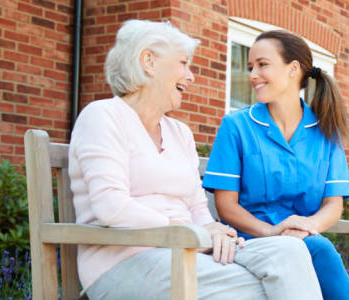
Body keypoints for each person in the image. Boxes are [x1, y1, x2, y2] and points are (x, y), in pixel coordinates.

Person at [68, 20, 322, 300]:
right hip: (124, 264)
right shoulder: (103, 116)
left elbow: (197, 208)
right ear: (148, 62)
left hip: (188, 251)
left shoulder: (180, 133)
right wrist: (192, 232)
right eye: (183, 63)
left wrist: (216, 232)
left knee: (290, 251)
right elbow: (110, 206)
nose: (190, 76)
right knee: (266, 287)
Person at [203, 30, 349, 300]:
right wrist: (273, 232)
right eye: (251, 67)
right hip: (247, 240)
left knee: (316, 249)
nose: (252, 75)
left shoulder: (326, 132)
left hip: (305, 240)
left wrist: (306, 228)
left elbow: (333, 205)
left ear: (293, 69)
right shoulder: (236, 126)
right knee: (320, 251)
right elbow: (226, 207)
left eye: (262, 65)